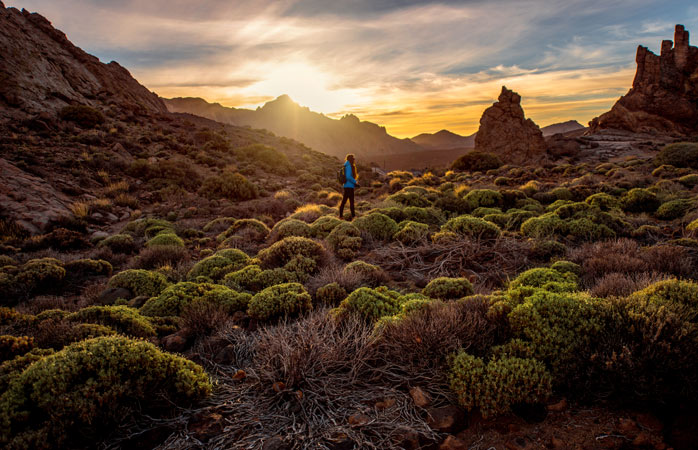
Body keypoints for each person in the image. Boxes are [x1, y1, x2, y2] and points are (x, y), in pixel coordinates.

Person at [339, 154, 359, 220]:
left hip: (348, 186)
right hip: (348, 186)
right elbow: (348, 176)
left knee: (350, 202)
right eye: (353, 159)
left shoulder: (347, 165)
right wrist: (355, 181)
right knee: (346, 201)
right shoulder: (349, 166)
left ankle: (352, 216)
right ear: (351, 159)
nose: (354, 160)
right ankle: (341, 216)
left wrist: (354, 183)